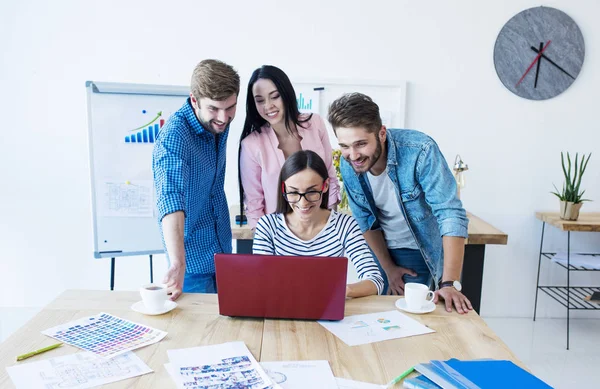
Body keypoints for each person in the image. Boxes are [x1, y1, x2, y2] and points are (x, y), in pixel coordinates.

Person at [327, 92, 472, 313]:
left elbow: (449, 212)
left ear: (382, 133)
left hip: (418, 248)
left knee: (414, 319)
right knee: (374, 318)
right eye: (345, 146)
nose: (353, 155)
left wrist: (449, 283)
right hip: (379, 250)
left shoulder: (420, 150)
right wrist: (388, 268)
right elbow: (365, 221)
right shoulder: (348, 164)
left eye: (361, 144)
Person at [152, 59, 240, 300]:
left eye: (230, 107)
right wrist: (178, 263)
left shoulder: (219, 122)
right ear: (194, 100)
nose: (223, 118)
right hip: (192, 267)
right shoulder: (174, 136)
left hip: (223, 256)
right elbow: (170, 199)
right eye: (214, 108)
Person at [253, 150, 384, 298]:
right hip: (281, 308)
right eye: (294, 192)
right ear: (284, 188)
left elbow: (375, 281)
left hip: (327, 310)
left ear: (325, 186)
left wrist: (342, 290)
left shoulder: (345, 225)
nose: (303, 203)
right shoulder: (267, 226)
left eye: (312, 192)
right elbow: (261, 280)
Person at [239, 65, 340, 229]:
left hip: (321, 229)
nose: (268, 106)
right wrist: (264, 250)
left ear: (286, 94)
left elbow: (330, 178)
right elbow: (254, 204)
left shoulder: (315, 124)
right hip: (278, 238)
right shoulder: (251, 145)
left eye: (275, 96)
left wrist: (330, 232)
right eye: (260, 100)